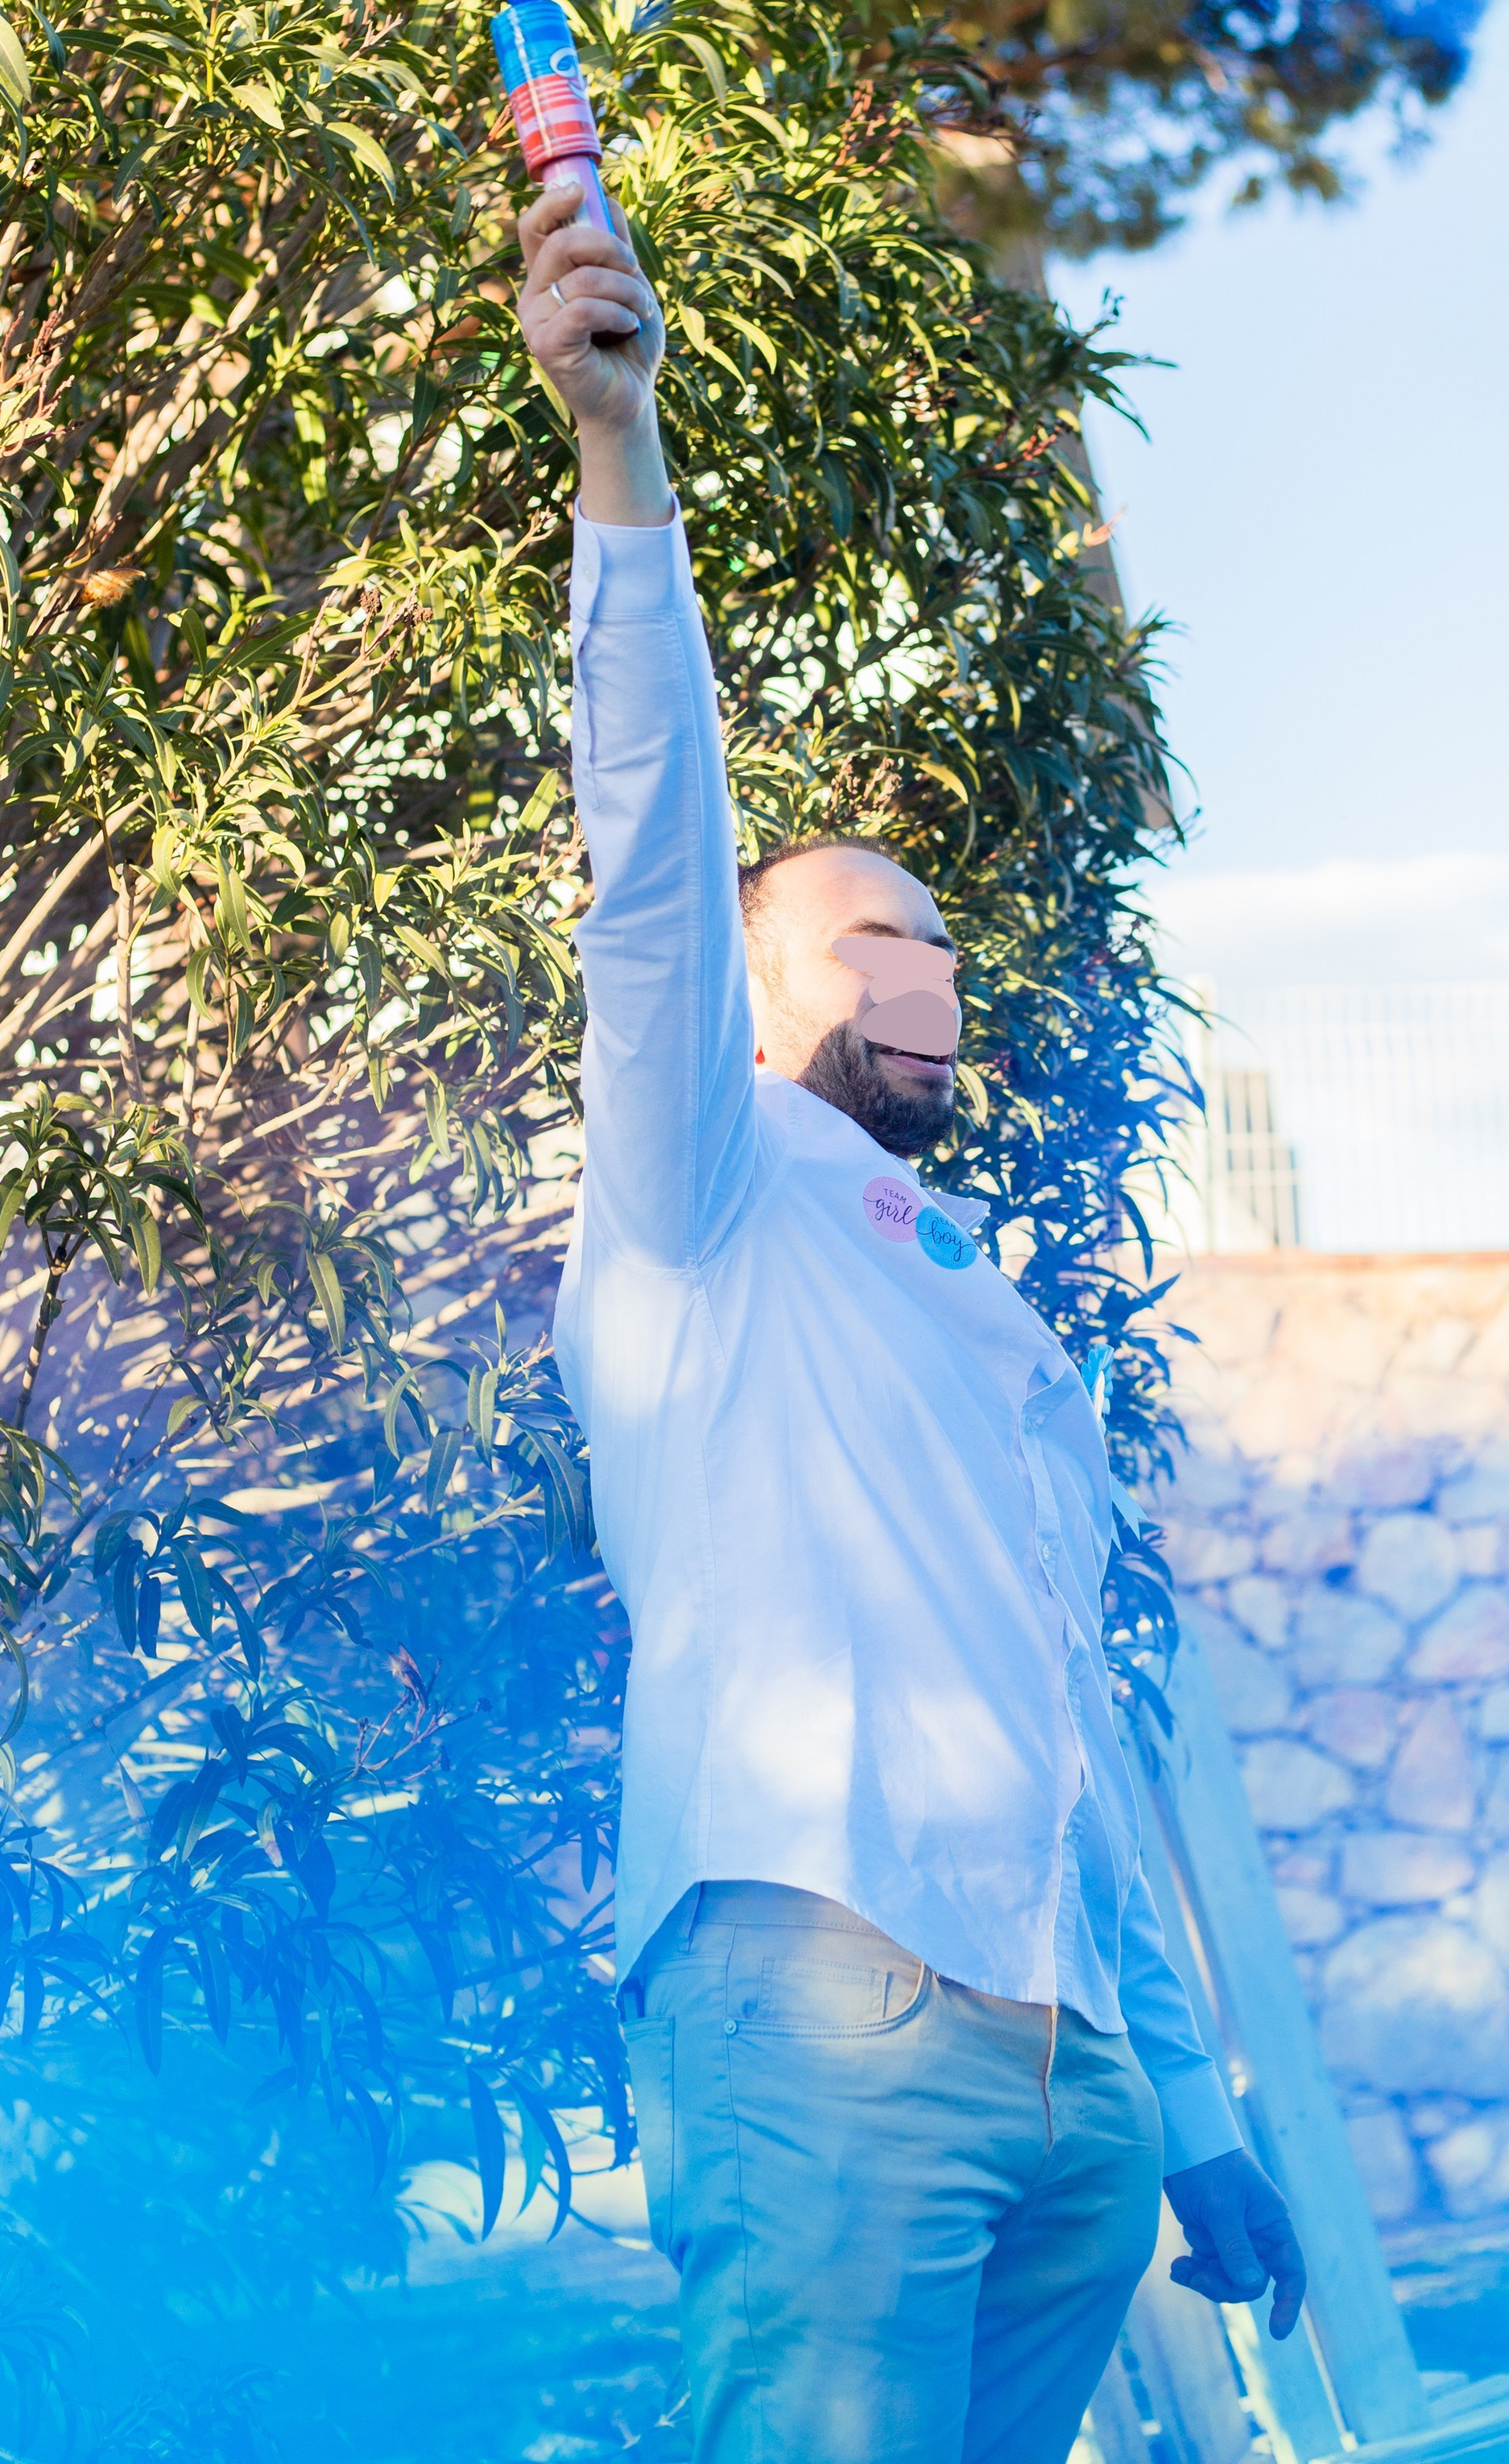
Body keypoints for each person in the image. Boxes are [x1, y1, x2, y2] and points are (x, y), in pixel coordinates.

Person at [517, 176, 1305, 2464]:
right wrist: (621, 462)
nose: (925, 975)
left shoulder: (978, 1310)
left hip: (1070, 2080)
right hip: (823, 1986)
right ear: (757, 1008)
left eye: (941, 944)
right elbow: (653, 860)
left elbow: (1060, 1716)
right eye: (867, 939)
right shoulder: (708, 1184)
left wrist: (1184, 2111)